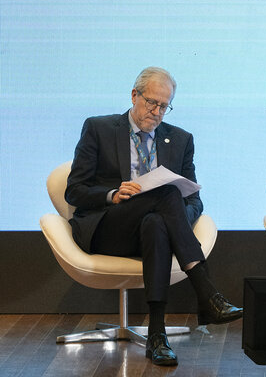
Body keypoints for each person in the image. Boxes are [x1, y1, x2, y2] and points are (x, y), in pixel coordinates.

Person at [65, 67, 242, 367]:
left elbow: (194, 200)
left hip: (150, 232)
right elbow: (75, 191)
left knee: (158, 220)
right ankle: (206, 291)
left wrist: (176, 221)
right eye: (151, 103)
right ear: (134, 96)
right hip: (109, 227)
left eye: (164, 106)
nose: (157, 112)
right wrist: (112, 193)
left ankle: (157, 336)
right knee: (167, 194)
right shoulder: (99, 128)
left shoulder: (181, 139)